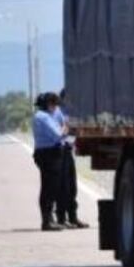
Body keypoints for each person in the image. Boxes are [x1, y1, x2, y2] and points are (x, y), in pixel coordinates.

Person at [32, 92, 66, 231]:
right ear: (47, 104)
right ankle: (47, 221)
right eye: (53, 104)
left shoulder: (46, 116)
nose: (54, 107)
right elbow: (58, 134)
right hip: (48, 154)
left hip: (50, 153)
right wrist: (66, 128)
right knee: (49, 187)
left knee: (51, 187)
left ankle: (49, 219)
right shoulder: (43, 117)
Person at [53, 89, 88, 228]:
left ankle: (73, 217)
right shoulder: (58, 113)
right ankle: (61, 218)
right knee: (62, 186)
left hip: (68, 150)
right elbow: (60, 131)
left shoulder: (72, 112)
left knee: (71, 186)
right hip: (59, 150)